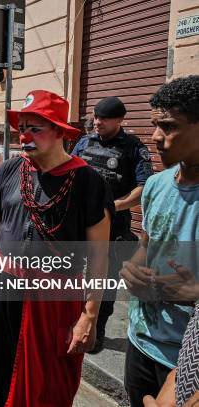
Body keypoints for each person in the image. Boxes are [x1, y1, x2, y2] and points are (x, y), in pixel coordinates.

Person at [0, 90, 113, 407]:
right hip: (7, 287)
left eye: (36, 128)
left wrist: (89, 316)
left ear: (60, 131)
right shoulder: (7, 171)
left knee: (52, 384)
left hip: (56, 296)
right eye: (22, 128)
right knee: (6, 375)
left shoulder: (88, 182)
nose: (25, 135)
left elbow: (100, 257)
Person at [118, 75, 199, 407]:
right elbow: (147, 245)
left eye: (168, 127)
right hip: (140, 342)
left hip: (187, 361)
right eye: (155, 125)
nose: (155, 137)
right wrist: (132, 271)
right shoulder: (155, 185)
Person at [72, 96, 154, 353]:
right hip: (78, 226)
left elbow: (143, 187)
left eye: (104, 118)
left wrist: (111, 207)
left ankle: (97, 328)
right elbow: (67, 170)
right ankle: (75, 320)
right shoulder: (84, 142)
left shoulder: (133, 147)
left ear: (120, 120)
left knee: (104, 281)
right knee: (73, 276)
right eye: (95, 117)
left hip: (113, 228)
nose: (97, 122)